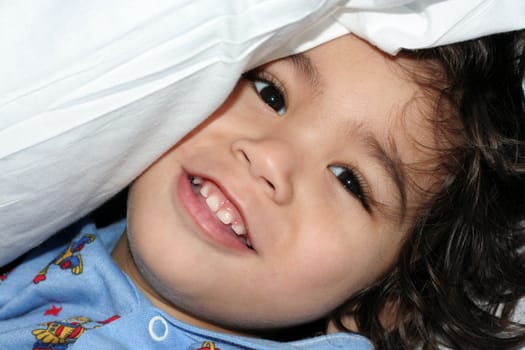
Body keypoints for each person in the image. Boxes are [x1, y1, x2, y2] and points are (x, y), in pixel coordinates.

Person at [0, 30, 524, 349]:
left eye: (348, 181)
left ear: (385, 299)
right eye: (271, 93)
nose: (271, 157)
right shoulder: (43, 208)